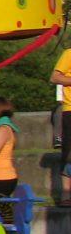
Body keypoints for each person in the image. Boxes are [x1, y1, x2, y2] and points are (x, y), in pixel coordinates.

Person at [51, 46, 71, 205]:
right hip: (70, 109)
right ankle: (66, 195)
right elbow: (55, 78)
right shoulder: (69, 54)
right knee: (69, 152)